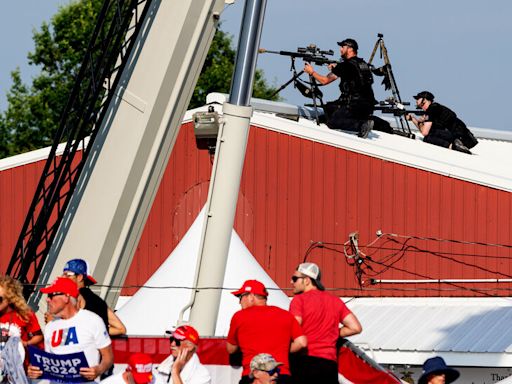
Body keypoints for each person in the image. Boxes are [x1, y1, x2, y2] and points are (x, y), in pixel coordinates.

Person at [27, 277, 113, 383]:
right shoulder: (50, 326)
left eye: (51, 295)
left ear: (66, 297)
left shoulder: (93, 320)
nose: (47, 299)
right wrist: (35, 369)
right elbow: (49, 361)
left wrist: (98, 370)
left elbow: (108, 357)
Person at [289, 263, 362, 384]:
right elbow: (355, 327)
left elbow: (293, 328)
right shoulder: (335, 301)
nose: (292, 282)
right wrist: (332, 332)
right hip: (329, 365)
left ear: (307, 280)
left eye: (295, 278)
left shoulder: (299, 300)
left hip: (305, 362)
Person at [226, 279, 307, 384]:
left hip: (254, 376)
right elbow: (302, 342)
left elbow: (231, 349)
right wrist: (283, 347)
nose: (240, 302)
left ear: (251, 296)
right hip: (281, 374)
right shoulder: (285, 315)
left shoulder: (239, 316)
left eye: (241, 297)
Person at [304, 38, 376, 138]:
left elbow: (324, 80)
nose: (340, 49)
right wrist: (336, 69)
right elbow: (353, 76)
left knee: (332, 122)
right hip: (368, 106)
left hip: (353, 105)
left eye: (343, 47)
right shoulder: (363, 64)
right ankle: (369, 122)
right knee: (328, 110)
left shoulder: (345, 65)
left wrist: (311, 72)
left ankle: (361, 125)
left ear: (350, 49)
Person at [59, 258, 126, 337]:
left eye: (68, 275)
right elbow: (121, 329)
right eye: (63, 274)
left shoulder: (73, 297)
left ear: (80, 277)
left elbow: (65, 329)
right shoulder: (99, 302)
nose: (62, 277)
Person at [406, 91, 478, 154]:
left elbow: (424, 132)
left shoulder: (431, 110)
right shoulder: (437, 108)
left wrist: (415, 120)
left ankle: (454, 146)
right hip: (465, 137)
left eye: (418, 99)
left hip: (458, 136)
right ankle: (456, 145)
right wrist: (418, 120)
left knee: (428, 138)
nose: (416, 101)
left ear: (424, 99)